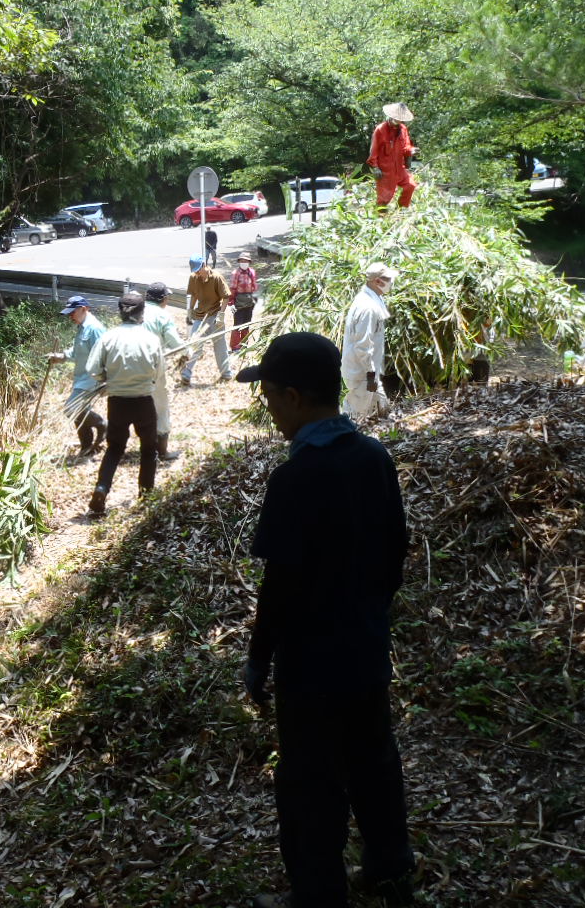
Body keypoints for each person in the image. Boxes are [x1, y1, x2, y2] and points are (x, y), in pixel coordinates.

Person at [235, 332, 415, 908]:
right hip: (363, 645)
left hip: (311, 661)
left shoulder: (296, 478)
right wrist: (369, 614)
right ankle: (390, 869)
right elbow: (395, 553)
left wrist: (260, 659)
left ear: (292, 396)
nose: (267, 408)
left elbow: (280, 584)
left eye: (268, 397)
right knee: (373, 761)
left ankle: (318, 894)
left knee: (310, 781)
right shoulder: (374, 458)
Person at [85, 291, 164, 515]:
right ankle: (146, 494)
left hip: (117, 401)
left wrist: (106, 380)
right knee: (149, 448)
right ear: (142, 313)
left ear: (120, 312)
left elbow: (92, 369)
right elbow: (158, 373)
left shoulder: (108, 338)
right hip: (143, 401)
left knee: (115, 448)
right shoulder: (150, 339)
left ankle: (101, 489)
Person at [48, 295, 108, 457]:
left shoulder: (94, 328)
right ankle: (86, 446)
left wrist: (106, 380)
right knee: (79, 412)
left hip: (92, 378)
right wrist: (62, 357)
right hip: (82, 378)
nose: (70, 316)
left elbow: (105, 354)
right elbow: (77, 352)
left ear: (84, 309)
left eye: (72, 312)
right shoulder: (83, 327)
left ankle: (102, 424)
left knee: (71, 408)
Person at [341, 264, 398, 421]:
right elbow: (362, 345)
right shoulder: (368, 308)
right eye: (389, 280)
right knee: (354, 415)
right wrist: (371, 373)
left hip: (370, 371)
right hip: (363, 372)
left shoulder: (373, 298)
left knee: (382, 408)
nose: (391, 283)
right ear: (378, 281)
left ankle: (387, 418)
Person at [143, 282, 186, 463]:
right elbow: (174, 342)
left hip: (128, 362)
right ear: (163, 299)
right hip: (152, 364)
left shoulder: (137, 309)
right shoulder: (162, 315)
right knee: (161, 405)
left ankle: (134, 443)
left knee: (137, 402)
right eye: (167, 297)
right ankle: (162, 450)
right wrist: (186, 352)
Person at [182, 256, 235, 386]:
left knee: (220, 346)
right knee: (195, 344)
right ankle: (186, 373)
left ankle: (226, 374)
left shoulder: (216, 277)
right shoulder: (194, 277)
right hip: (200, 316)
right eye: (195, 270)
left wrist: (221, 315)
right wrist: (190, 311)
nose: (197, 273)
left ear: (204, 265)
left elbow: (226, 297)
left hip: (214, 315)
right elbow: (194, 294)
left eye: (199, 269)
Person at [367, 102, 417, 210]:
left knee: (410, 185)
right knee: (383, 200)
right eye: (396, 118)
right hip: (385, 171)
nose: (398, 120)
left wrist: (411, 151)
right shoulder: (380, 130)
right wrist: (375, 167)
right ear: (391, 116)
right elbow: (373, 151)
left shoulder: (403, 129)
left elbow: (406, 146)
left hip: (400, 168)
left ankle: (401, 211)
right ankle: (380, 220)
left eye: (400, 119)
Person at [229, 253, 260, 352]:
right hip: (239, 302)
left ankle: (244, 344)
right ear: (239, 262)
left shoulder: (252, 272)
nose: (244, 263)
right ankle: (235, 346)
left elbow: (255, 287)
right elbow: (232, 289)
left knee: (247, 324)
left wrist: (255, 299)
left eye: (246, 261)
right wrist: (231, 303)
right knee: (238, 325)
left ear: (249, 262)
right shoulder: (236, 273)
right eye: (242, 261)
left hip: (250, 302)